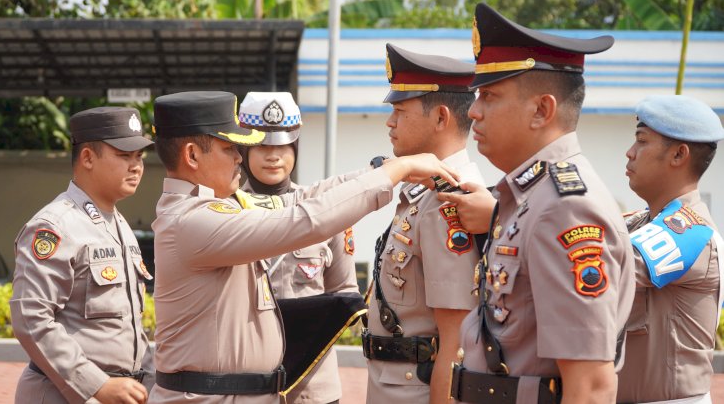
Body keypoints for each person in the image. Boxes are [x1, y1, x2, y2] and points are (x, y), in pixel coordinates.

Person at [148, 90, 459, 404]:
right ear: (191, 155)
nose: (239, 158)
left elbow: (304, 198)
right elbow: (305, 219)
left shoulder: (205, 212)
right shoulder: (194, 220)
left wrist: (382, 170)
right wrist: (396, 171)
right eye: (229, 148)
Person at [441, 3, 635, 404]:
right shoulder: (528, 198)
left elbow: (591, 387)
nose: (474, 111)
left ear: (542, 110)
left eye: (490, 95)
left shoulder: (566, 208)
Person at [362, 44, 485, 404]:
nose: (390, 122)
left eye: (400, 111)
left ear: (441, 118)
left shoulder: (446, 201)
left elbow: (456, 338)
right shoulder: (424, 194)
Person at [10, 107, 155, 404]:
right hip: (63, 393)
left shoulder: (120, 226)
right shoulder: (55, 226)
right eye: (124, 155)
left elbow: (129, 325)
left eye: (139, 157)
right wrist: (96, 385)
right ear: (88, 157)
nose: (136, 166)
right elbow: (30, 317)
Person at [238, 91, 357, 404]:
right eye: (262, 145)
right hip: (244, 381)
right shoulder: (224, 212)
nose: (274, 155)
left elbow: (343, 291)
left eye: (283, 145)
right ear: (243, 149)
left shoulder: (326, 209)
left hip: (313, 388)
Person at [616, 95, 724, 403]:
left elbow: (601, 266)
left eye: (641, 141)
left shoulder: (690, 231)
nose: (630, 152)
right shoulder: (640, 222)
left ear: (679, 155)